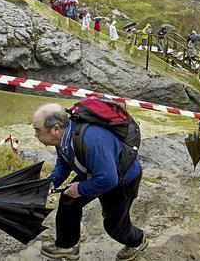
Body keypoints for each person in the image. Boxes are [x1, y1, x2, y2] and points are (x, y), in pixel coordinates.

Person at [33, 104, 148, 261]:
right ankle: (68, 247)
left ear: (56, 129)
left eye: (38, 130)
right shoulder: (64, 136)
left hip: (121, 180)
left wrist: (80, 188)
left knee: (114, 227)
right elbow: (64, 161)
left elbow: (109, 179)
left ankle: (138, 241)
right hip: (96, 172)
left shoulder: (91, 140)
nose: (35, 135)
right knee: (69, 200)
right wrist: (53, 182)